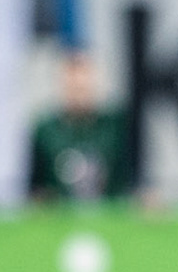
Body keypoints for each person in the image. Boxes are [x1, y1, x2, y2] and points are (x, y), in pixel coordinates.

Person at [28, 51, 134, 203]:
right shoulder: (46, 130)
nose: (79, 95)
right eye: (73, 88)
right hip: (59, 219)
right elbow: (35, 188)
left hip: (110, 216)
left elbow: (131, 179)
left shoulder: (115, 126)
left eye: (83, 87)